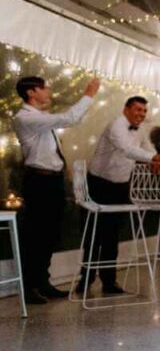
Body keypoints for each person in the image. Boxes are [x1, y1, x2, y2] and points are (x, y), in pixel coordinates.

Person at [76, 96, 160, 295]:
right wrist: (155, 158)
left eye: (144, 111)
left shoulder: (140, 130)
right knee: (94, 235)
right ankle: (85, 280)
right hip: (99, 183)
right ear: (126, 109)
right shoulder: (116, 125)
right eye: (138, 109)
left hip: (121, 186)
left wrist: (155, 159)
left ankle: (108, 281)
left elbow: (147, 147)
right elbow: (127, 149)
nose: (141, 114)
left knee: (112, 235)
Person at [12, 75, 100, 304]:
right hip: (38, 181)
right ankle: (30, 286)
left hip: (52, 181)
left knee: (50, 234)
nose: (48, 91)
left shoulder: (42, 117)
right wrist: (89, 94)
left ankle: (43, 281)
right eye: (44, 87)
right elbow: (70, 118)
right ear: (31, 92)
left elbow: (70, 121)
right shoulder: (24, 118)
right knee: (36, 235)